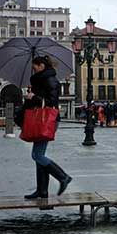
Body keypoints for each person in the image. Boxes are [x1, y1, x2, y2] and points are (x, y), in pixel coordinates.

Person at [23, 55, 72, 199]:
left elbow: (52, 101)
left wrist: (35, 97)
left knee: (37, 155)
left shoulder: (50, 80)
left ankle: (63, 177)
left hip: (47, 119)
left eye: (35, 66)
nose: (34, 69)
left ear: (42, 66)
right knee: (39, 156)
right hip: (41, 119)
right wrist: (32, 94)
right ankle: (42, 190)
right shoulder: (40, 80)